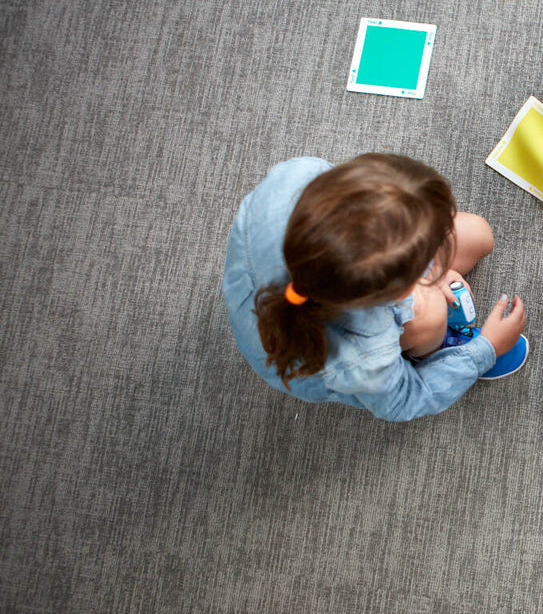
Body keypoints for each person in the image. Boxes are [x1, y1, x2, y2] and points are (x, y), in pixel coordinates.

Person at [222, 154, 527, 422]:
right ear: (391, 292)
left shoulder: (299, 175)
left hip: (327, 281)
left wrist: (426, 269)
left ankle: (420, 290)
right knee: (433, 313)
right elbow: (406, 400)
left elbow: (354, 242)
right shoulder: (365, 359)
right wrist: (485, 349)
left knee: (477, 234)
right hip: (324, 340)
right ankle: (427, 349)